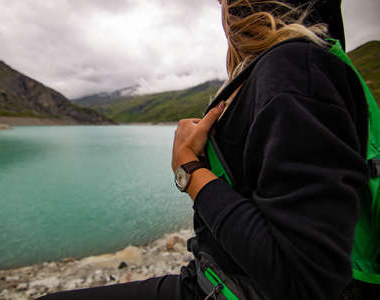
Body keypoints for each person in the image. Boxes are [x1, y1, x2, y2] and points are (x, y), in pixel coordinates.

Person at [39, 0, 372, 299]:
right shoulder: (289, 68)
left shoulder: (296, 69)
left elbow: (303, 279)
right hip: (214, 282)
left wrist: (189, 171)